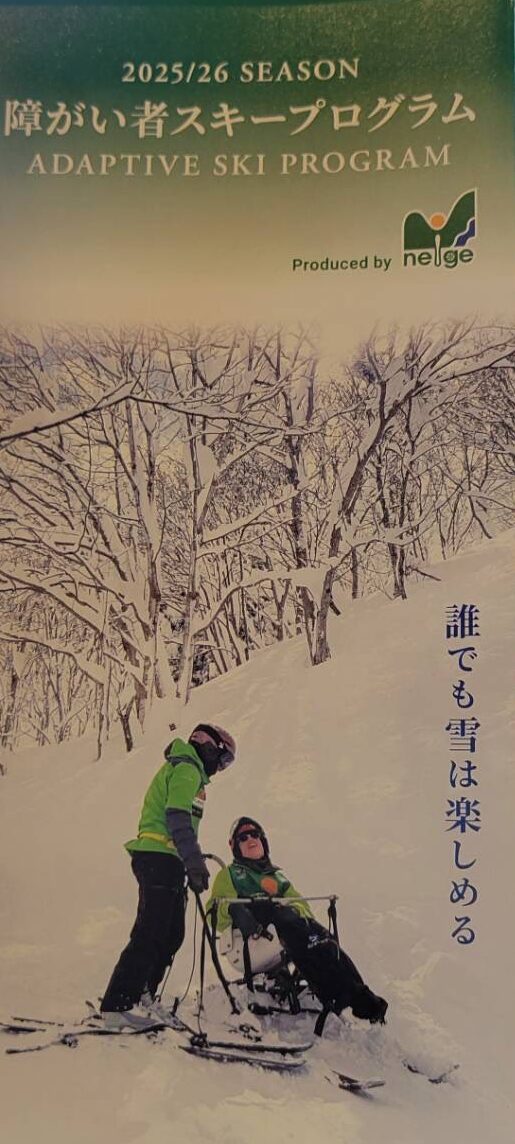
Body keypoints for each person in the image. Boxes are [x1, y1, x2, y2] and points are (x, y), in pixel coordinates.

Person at [100, 723, 236, 1030]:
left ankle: (143, 992)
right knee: (151, 930)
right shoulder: (187, 769)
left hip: (168, 859)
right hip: (158, 856)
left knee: (172, 932)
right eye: (223, 760)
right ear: (210, 748)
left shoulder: (189, 770)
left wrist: (188, 860)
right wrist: (194, 862)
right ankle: (117, 1004)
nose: (220, 768)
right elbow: (177, 818)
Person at [206, 816, 387, 1025]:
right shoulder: (229, 875)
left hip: (286, 929)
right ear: (235, 846)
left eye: (254, 834)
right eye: (243, 837)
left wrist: (290, 910)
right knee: (294, 929)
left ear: (263, 840)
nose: (250, 839)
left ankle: (362, 998)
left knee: (323, 940)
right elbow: (213, 911)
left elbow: (302, 907)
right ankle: (338, 995)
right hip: (251, 940)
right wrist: (234, 910)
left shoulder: (278, 878)